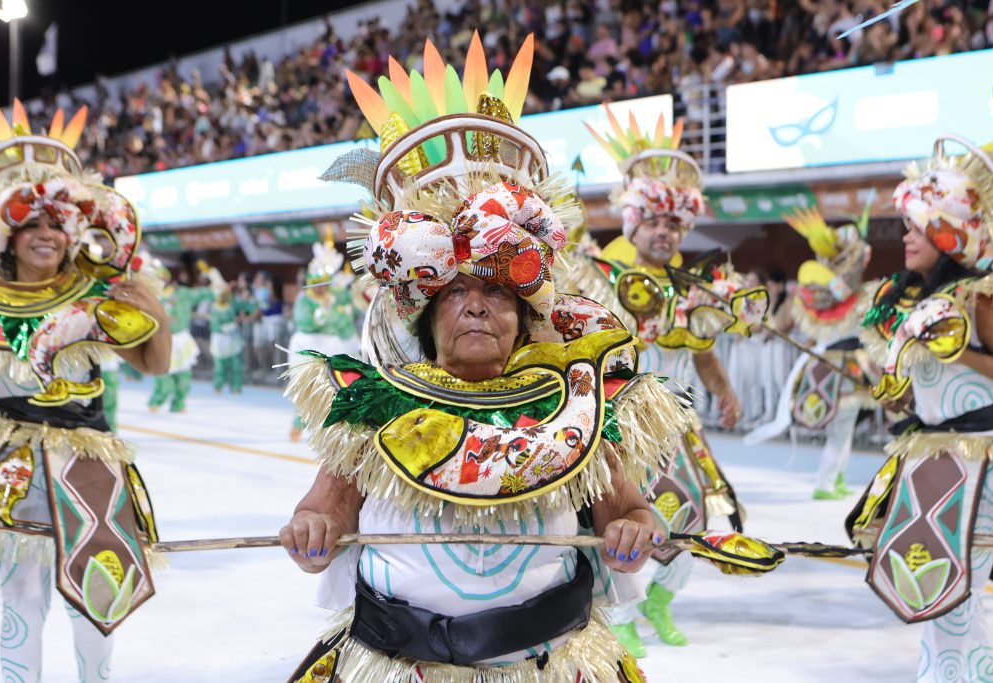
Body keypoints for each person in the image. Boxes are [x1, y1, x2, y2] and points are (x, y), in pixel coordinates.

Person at [279, 34, 782, 683]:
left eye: (497, 290)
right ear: (426, 313)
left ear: (525, 316)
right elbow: (325, 511)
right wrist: (312, 528)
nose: (477, 306)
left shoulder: (578, 405)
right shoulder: (370, 402)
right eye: (455, 291)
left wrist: (631, 534)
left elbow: (625, 513)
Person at [567, 106, 770, 655]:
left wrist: (724, 390)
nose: (664, 232)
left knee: (699, 513)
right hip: (617, 424)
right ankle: (625, 609)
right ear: (634, 220)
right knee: (622, 516)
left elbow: (702, 351)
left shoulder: (693, 284)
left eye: (674, 223)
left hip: (679, 422)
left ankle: (661, 600)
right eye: (654, 221)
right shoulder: (596, 273)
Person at [0, 100, 171, 682]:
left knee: (98, 605)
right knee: (20, 599)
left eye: (55, 224)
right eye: (31, 224)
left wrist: (155, 310)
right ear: (6, 235)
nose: (45, 235)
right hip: (10, 467)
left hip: (87, 464)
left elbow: (153, 364)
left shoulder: (94, 293)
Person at [850, 82, 993, 682]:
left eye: (919, 226)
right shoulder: (916, 299)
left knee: (957, 597)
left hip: (982, 463)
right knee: (941, 600)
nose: (908, 236)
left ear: (947, 232)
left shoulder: (980, 297)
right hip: (933, 459)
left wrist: (962, 355)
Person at [745, 199, 878, 499]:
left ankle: (836, 478)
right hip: (842, 366)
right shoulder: (856, 298)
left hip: (832, 364)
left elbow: (797, 328)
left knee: (846, 428)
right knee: (842, 429)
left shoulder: (832, 299)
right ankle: (825, 483)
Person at [287, 240, 357, 442]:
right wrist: (322, 314)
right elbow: (305, 321)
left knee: (335, 388)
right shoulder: (304, 299)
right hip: (309, 345)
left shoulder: (335, 295)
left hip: (333, 346)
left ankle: (331, 431)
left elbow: (348, 308)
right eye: (318, 285)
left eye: (325, 284)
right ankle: (298, 424)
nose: (322, 289)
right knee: (308, 389)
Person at [147, 259, 212, 413]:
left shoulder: (182, 293)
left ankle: (179, 403)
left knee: (184, 376)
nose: (161, 279)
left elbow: (206, 293)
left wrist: (212, 280)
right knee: (164, 375)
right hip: (163, 340)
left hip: (182, 339)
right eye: (157, 277)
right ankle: (157, 400)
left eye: (163, 276)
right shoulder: (151, 298)